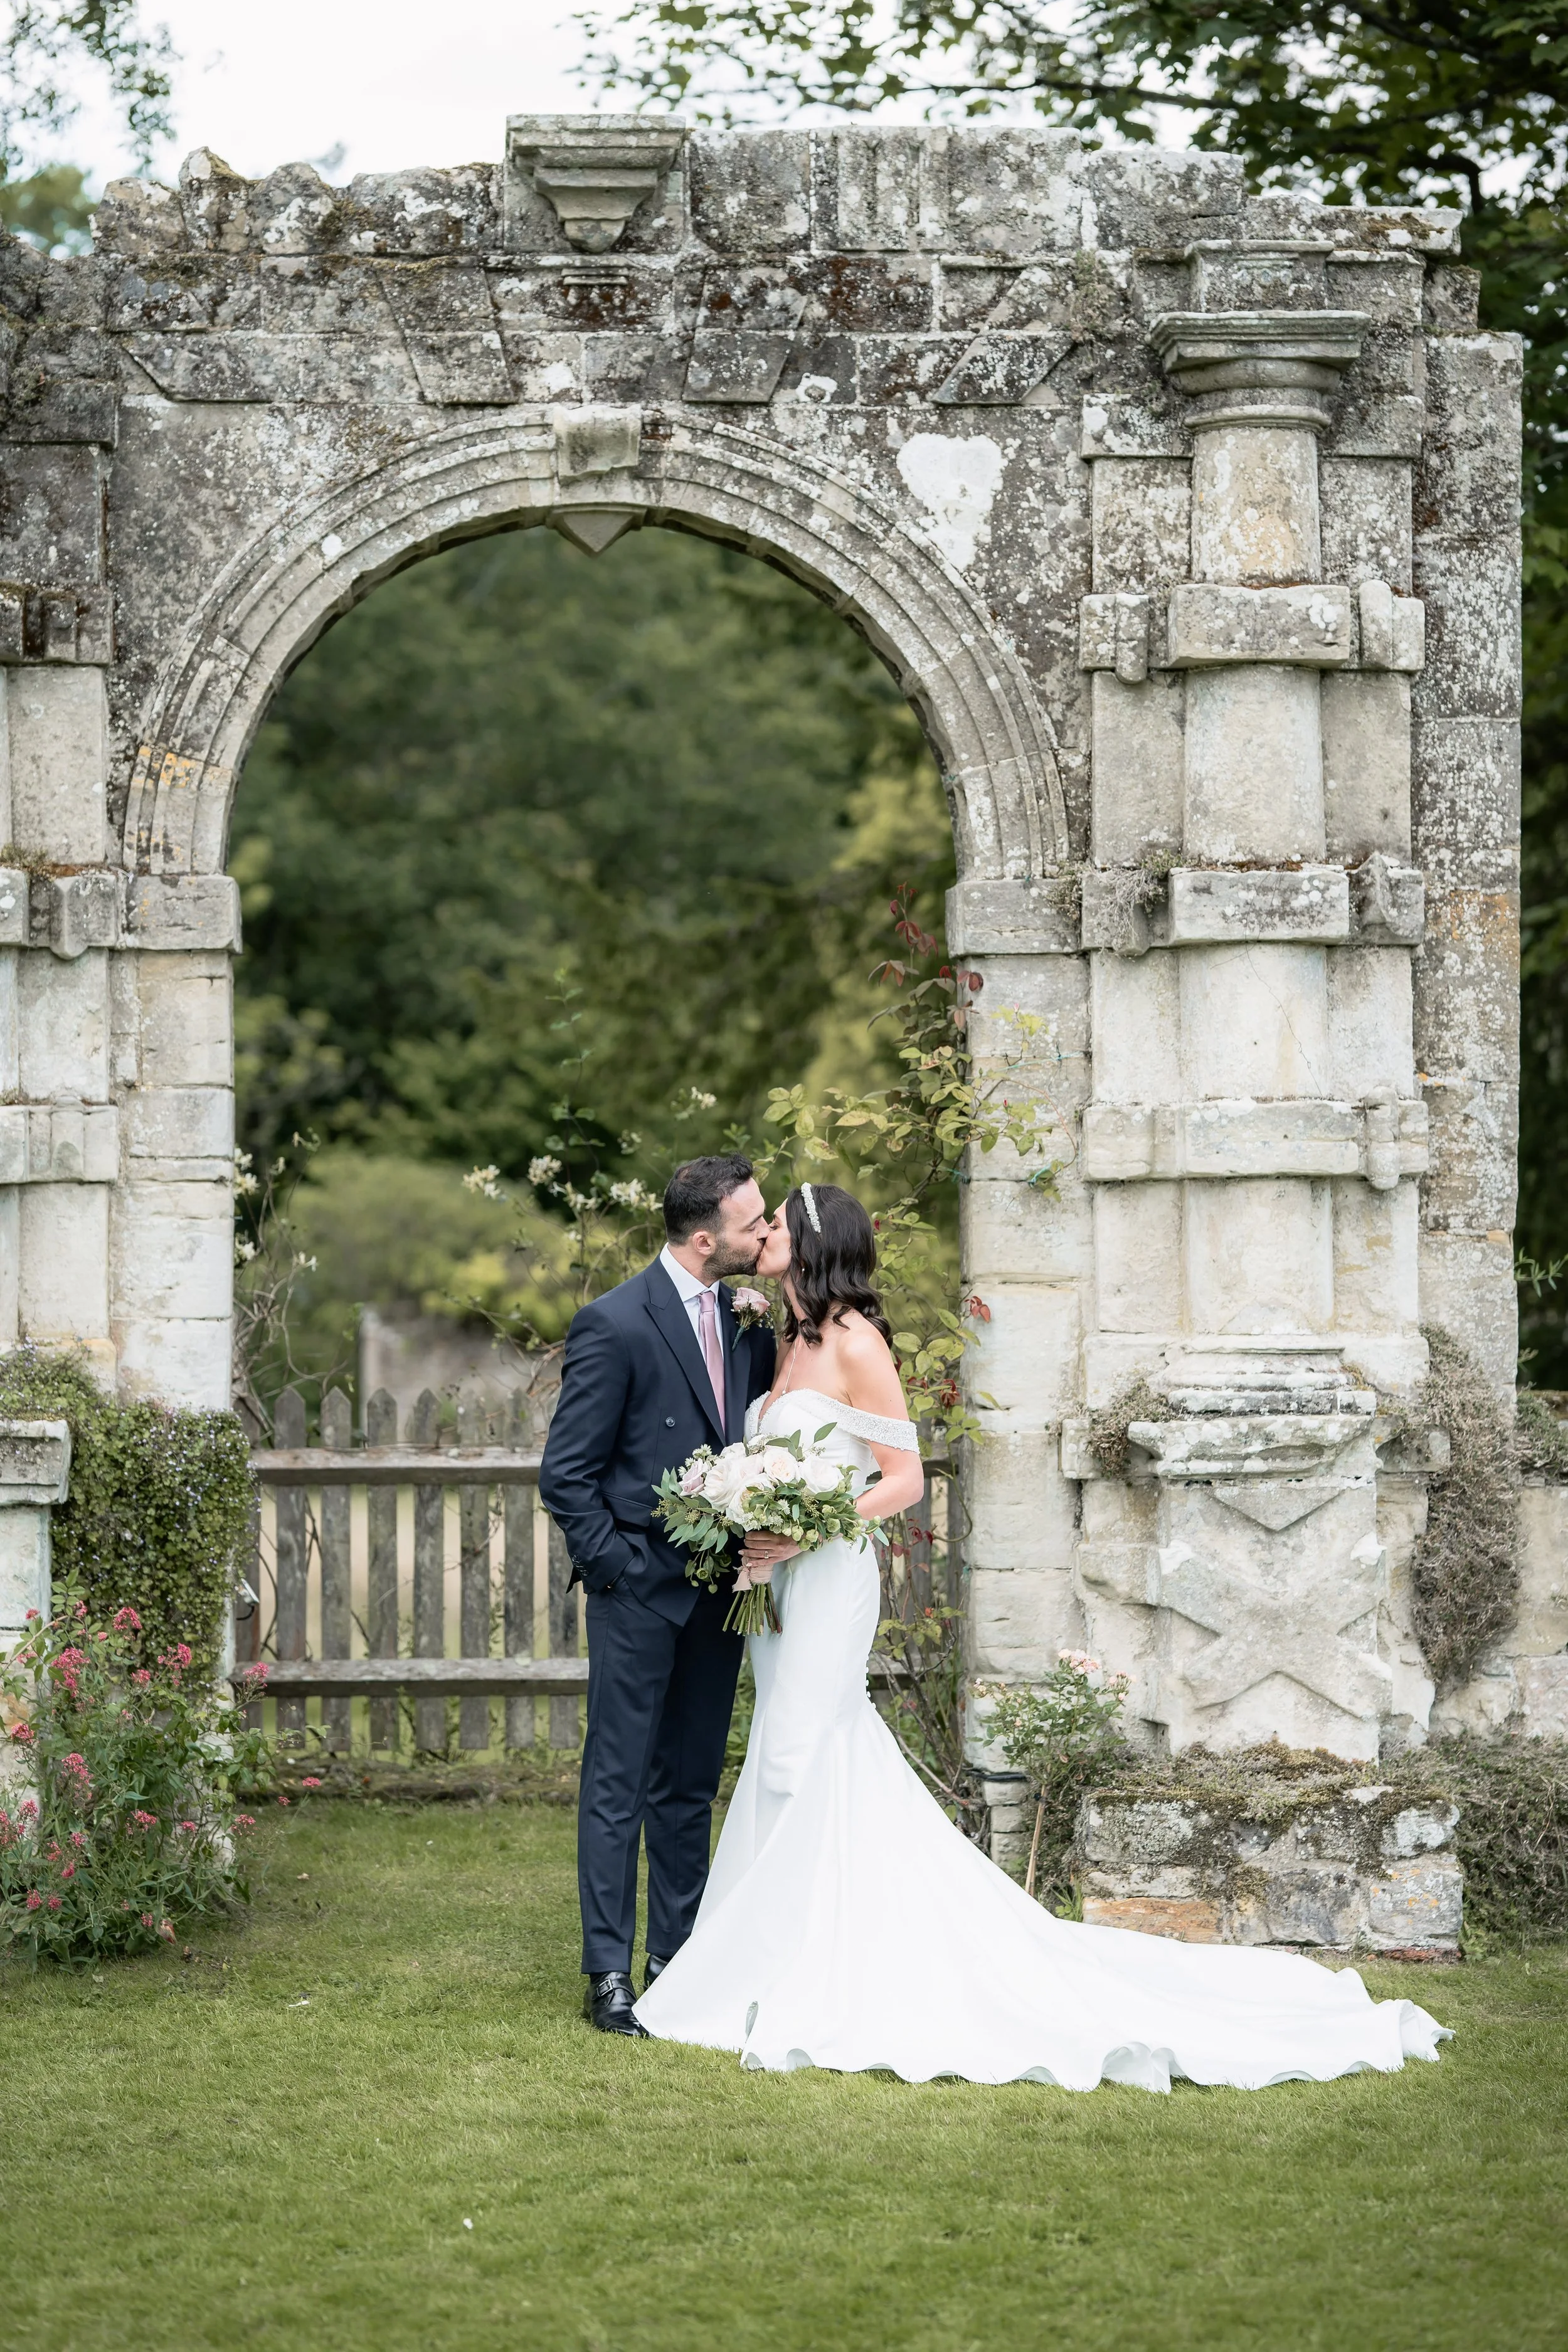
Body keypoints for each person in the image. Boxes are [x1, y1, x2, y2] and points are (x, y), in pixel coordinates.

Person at [634, 1180, 1451, 2091]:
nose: (766, 1234)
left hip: (827, 1578)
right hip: (777, 1588)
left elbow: (902, 1478)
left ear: (816, 1241)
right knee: (796, 1758)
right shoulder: (784, 1339)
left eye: (779, 1222)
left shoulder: (858, 1342)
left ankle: (799, 1971)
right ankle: (788, 1956)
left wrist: (810, 1525)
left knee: (793, 1754)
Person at [540, 1154, 777, 2036]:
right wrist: (621, 1570)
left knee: (688, 1783)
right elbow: (566, 1475)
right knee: (618, 1781)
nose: (766, 1233)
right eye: (755, 1223)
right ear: (706, 1235)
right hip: (640, 1593)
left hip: (720, 1592)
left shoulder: (749, 1318)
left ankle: (674, 1959)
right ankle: (608, 1972)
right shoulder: (615, 1323)